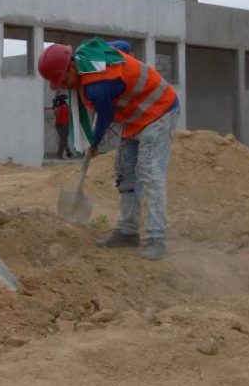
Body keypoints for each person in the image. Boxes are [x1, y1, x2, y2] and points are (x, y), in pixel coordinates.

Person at [37, 39, 179, 260]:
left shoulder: (97, 85)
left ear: (72, 67)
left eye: (63, 80)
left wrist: (94, 144)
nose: (63, 86)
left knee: (150, 173)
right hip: (135, 117)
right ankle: (128, 232)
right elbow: (119, 45)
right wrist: (124, 53)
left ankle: (156, 238)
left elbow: (106, 116)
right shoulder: (86, 53)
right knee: (125, 173)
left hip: (159, 110)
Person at [53, 94, 73, 159]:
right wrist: (56, 107)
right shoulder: (60, 107)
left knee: (64, 140)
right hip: (60, 125)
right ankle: (59, 155)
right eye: (65, 99)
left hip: (66, 124)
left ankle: (68, 153)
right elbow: (56, 115)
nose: (67, 100)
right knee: (63, 140)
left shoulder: (67, 106)